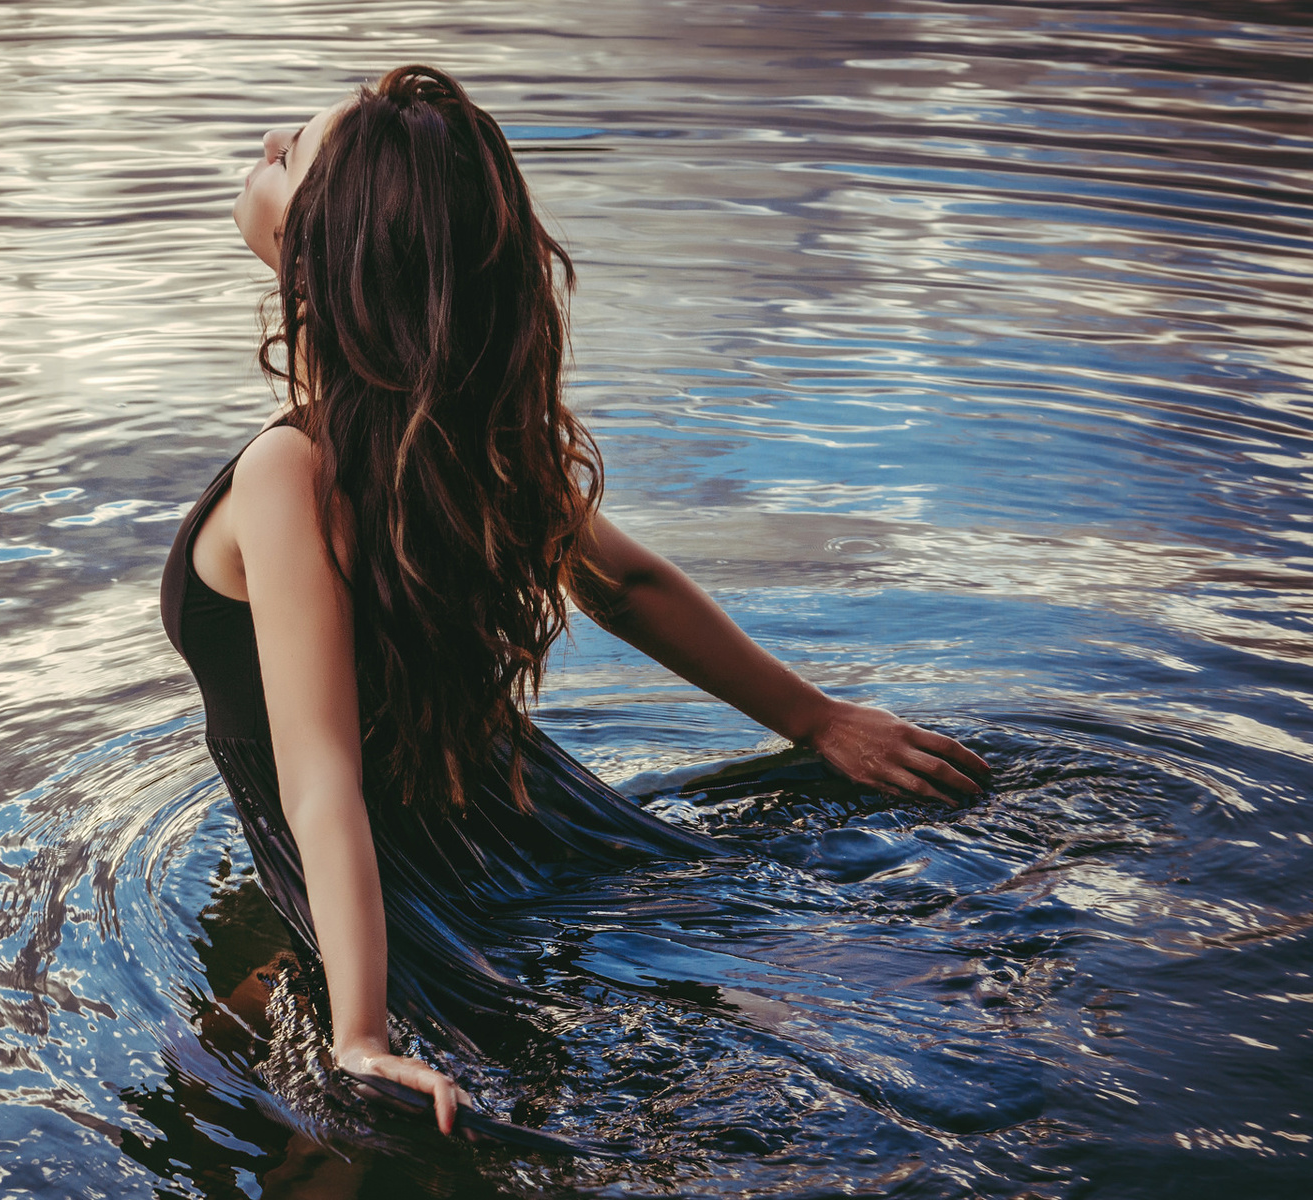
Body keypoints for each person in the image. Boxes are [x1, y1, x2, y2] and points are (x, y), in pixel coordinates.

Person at [160, 65, 990, 1141]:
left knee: (194, 1106)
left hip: (409, 886)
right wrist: (815, 719)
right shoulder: (466, 429)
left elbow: (324, 784)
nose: (264, 143)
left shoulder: (291, 473)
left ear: (330, 248)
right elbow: (628, 588)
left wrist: (360, 1031)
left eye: (287, 155)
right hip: (511, 828)